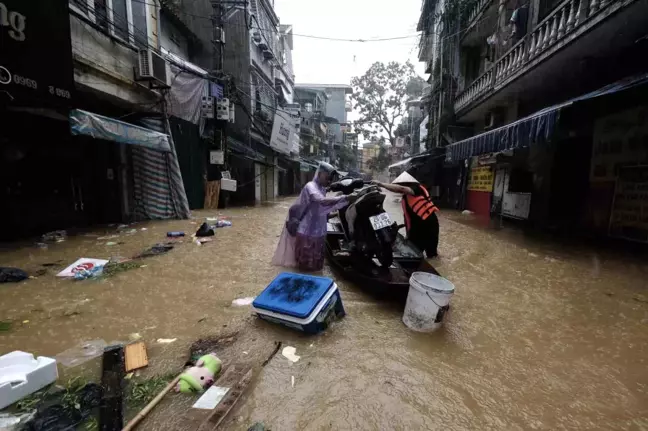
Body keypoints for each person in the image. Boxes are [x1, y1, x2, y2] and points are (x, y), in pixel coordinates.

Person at [272, 162, 357, 272]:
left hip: (319, 234)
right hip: (306, 235)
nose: (329, 181)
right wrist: (346, 198)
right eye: (327, 178)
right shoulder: (310, 187)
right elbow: (320, 201)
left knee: (317, 268)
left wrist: (334, 212)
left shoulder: (322, 189)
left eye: (331, 179)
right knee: (304, 268)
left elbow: (319, 211)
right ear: (320, 174)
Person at [372, 171, 440, 258]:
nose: (400, 186)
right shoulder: (405, 197)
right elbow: (408, 218)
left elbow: (401, 189)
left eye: (401, 184)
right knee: (414, 251)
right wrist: (408, 233)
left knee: (431, 254)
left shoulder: (416, 188)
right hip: (418, 226)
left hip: (428, 225)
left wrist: (381, 184)